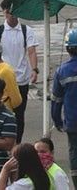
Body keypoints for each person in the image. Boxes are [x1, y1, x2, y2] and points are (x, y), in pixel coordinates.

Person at [0, 0, 39, 142]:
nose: (12, 15)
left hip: (21, 80)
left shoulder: (26, 30)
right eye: (9, 12)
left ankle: (17, 144)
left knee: (19, 114)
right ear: (4, 12)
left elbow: (31, 51)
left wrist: (34, 69)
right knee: (0, 112)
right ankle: (1, 142)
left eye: (15, 12)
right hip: (1, 81)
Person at [51, 28, 77, 188]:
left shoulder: (62, 71)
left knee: (74, 152)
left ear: (68, 49)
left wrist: (58, 122)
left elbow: (56, 101)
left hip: (73, 123)